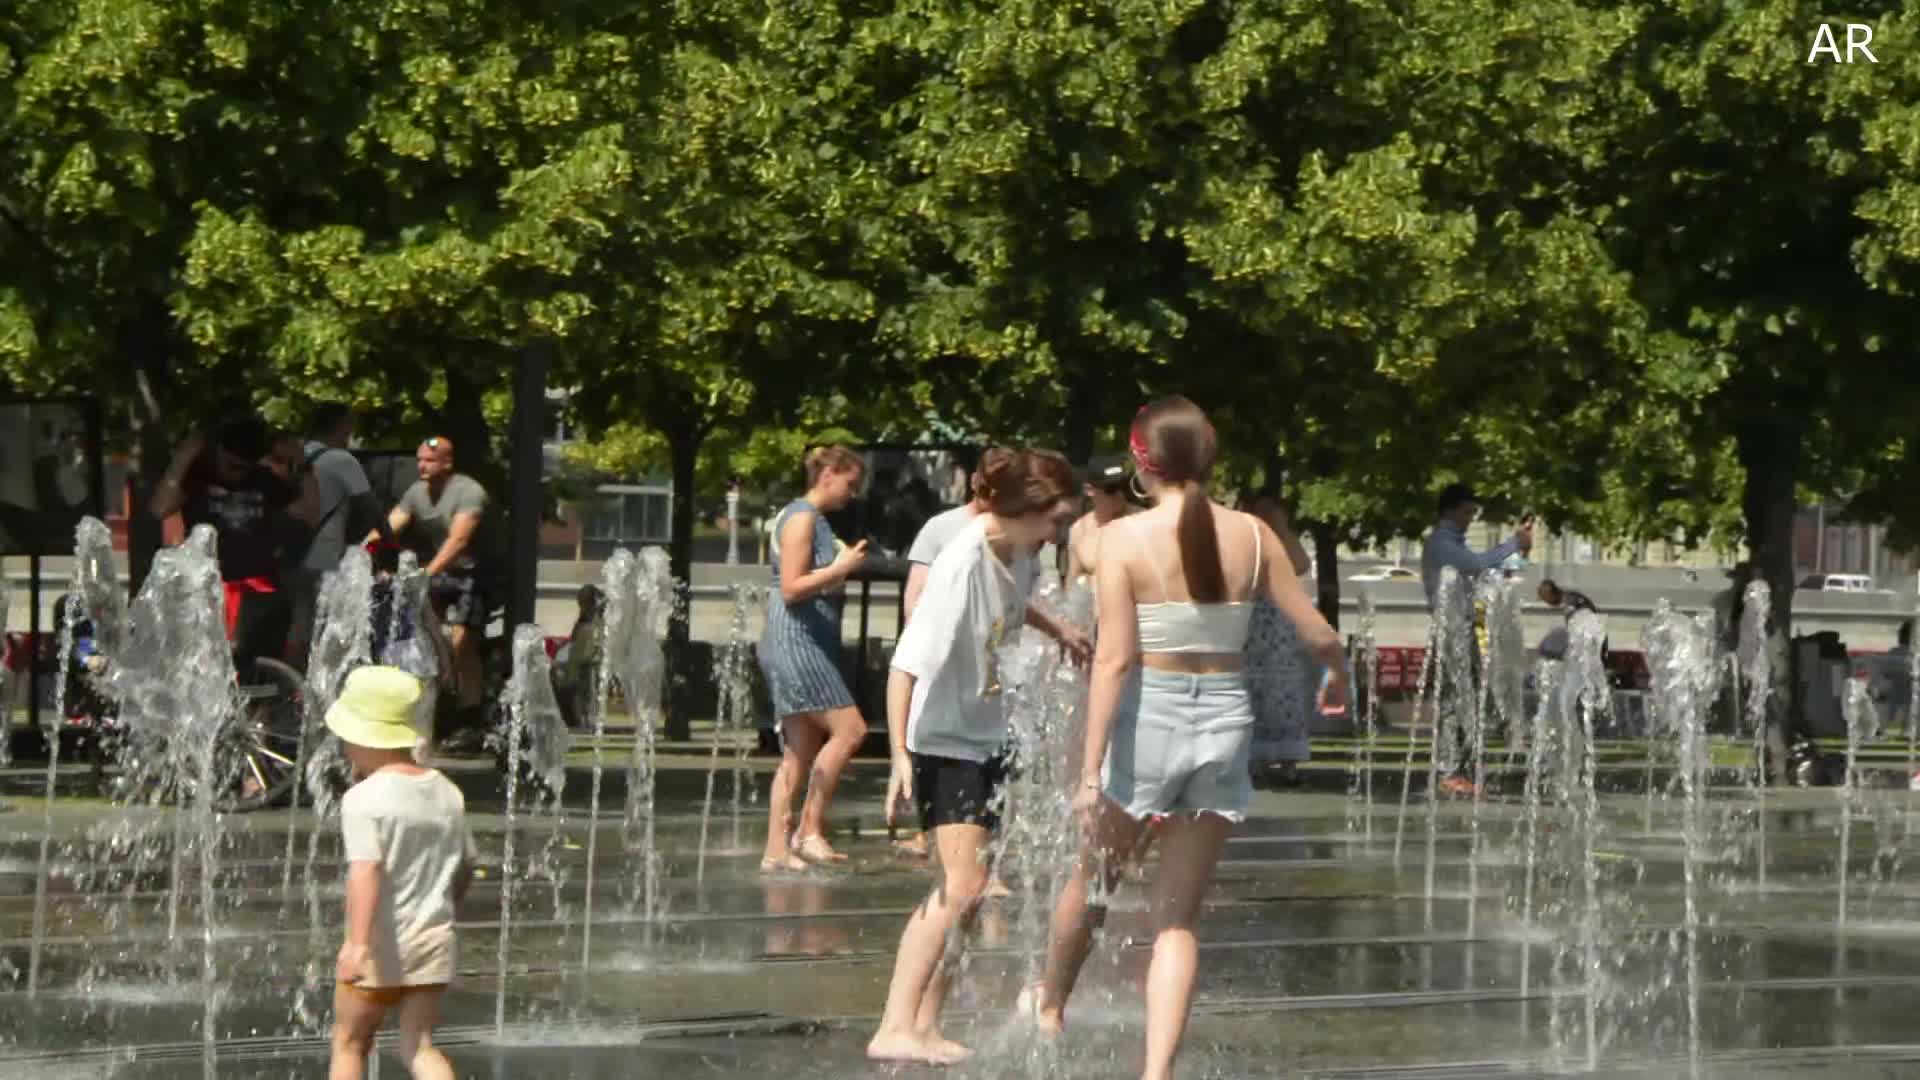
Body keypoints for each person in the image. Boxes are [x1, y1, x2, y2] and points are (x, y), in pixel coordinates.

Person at [1026, 397, 1346, 1079]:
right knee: (1176, 920)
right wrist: (1337, 674)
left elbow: (1114, 661)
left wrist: (1090, 771)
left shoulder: (1121, 539)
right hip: (1224, 724)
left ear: (1140, 463)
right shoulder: (1253, 536)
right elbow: (1318, 633)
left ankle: (1050, 1007)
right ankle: (1157, 1073)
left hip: (1151, 721)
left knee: (1095, 878)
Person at [866, 449, 1081, 1066]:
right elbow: (905, 665)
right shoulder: (960, 561)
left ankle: (926, 1024)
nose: (1057, 535)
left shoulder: (1018, 552)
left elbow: (1012, 605)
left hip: (985, 735)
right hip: (945, 742)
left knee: (972, 890)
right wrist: (900, 756)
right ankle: (893, 1025)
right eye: (1054, 521)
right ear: (1022, 509)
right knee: (961, 884)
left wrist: (1058, 629)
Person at [325, 665, 475, 1080]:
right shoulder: (447, 792)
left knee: (350, 1041)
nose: (345, 749)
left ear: (365, 738)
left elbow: (365, 871)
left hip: (379, 944)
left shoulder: (364, 799)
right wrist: (446, 908)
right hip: (433, 940)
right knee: (418, 1045)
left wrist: (357, 945)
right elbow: (466, 865)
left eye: (347, 740)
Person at [758, 445, 871, 871]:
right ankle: (808, 830)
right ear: (828, 474)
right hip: (795, 641)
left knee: (799, 752)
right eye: (850, 483)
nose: (853, 493)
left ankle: (775, 849)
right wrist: (840, 569)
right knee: (851, 729)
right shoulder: (801, 517)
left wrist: (835, 572)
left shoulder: (813, 520)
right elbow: (791, 588)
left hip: (803, 641)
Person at [150, 417, 321, 675]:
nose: (237, 473)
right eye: (231, 465)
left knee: (257, 663)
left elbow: (310, 514)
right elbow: (160, 508)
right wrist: (184, 457)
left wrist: (303, 464)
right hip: (208, 589)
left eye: (244, 467)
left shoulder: (263, 480)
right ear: (218, 452)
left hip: (258, 589)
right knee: (207, 665)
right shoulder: (199, 478)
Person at [1419, 482, 1532, 797]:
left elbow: (1489, 572)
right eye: (1467, 512)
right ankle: (1450, 770)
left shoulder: (1456, 544)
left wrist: (1521, 552)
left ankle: (1463, 769)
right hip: (1451, 629)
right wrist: (1514, 543)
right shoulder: (1441, 542)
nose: (1470, 519)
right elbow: (1476, 565)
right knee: (1455, 698)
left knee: (1469, 697)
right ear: (1449, 511)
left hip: (1464, 628)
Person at [381, 437, 489, 752]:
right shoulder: (417, 492)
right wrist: (361, 551)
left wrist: (427, 573)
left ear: (447, 462)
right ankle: (437, 703)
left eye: (429, 460)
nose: (421, 466)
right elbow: (389, 525)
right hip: (438, 575)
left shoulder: (469, 492)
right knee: (422, 638)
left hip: (471, 573)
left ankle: (470, 719)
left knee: (461, 644)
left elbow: (458, 540)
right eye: (419, 459)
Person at [290, 405, 392, 668]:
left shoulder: (293, 455)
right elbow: (371, 509)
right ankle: (308, 682)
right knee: (321, 625)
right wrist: (393, 546)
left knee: (294, 622)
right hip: (323, 556)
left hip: (287, 555)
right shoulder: (341, 460)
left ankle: (285, 679)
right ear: (341, 426)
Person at [1240, 493, 1318, 787]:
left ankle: (1287, 762)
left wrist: (1280, 527)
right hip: (1249, 626)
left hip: (1279, 629)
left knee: (1283, 690)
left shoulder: (1279, 539)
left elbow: (1301, 564)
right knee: (1251, 691)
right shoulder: (1242, 535)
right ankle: (1253, 761)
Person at [902, 447, 1012, 620]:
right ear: (974, 481)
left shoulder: (1019, 533)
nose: (991, 498)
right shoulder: (939, 526)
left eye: (1001, 492)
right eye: (985, 490)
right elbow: (916, 591)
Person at [1063, 454, 1137, 586]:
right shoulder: (1079, 530)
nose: (1120, 494)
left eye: (1124, 486)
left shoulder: (1143, 519)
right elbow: (1072, 583)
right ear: (1089, 490)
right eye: (1111, 489)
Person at [555, 584, 605, 730]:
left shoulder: (597, 619)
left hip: (588, 661)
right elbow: (574, 640)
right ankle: (582, 720)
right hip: (579, 661)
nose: (581, 606)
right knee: (578, 690)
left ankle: (587, 721)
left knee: (586, 690)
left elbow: (594, 643)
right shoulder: (585, 620)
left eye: (583, 603)